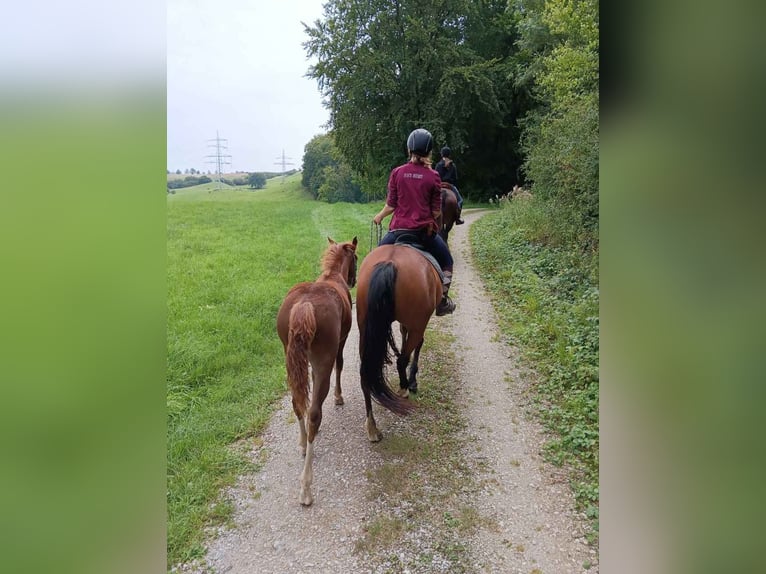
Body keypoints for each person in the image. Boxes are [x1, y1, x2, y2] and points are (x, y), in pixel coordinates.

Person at [372, 128, 456, 316]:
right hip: (423, 234)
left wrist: (379, 216)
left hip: (397, 232)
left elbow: (391, 205)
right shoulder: (433, 176)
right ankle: (442, 301)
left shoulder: (397, 172)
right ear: (429, 151)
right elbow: (435, 212)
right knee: (447, 261)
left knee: (375, 260)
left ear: (409, 149)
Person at [434, 146, 464, 224]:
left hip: (439, 185)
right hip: (450, 185)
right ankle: (458, 218)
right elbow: (455, 179)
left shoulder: (438, 165)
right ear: (449, 154)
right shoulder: (452, 165)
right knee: (460, 200)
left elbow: (435, 177)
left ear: (441, 154)